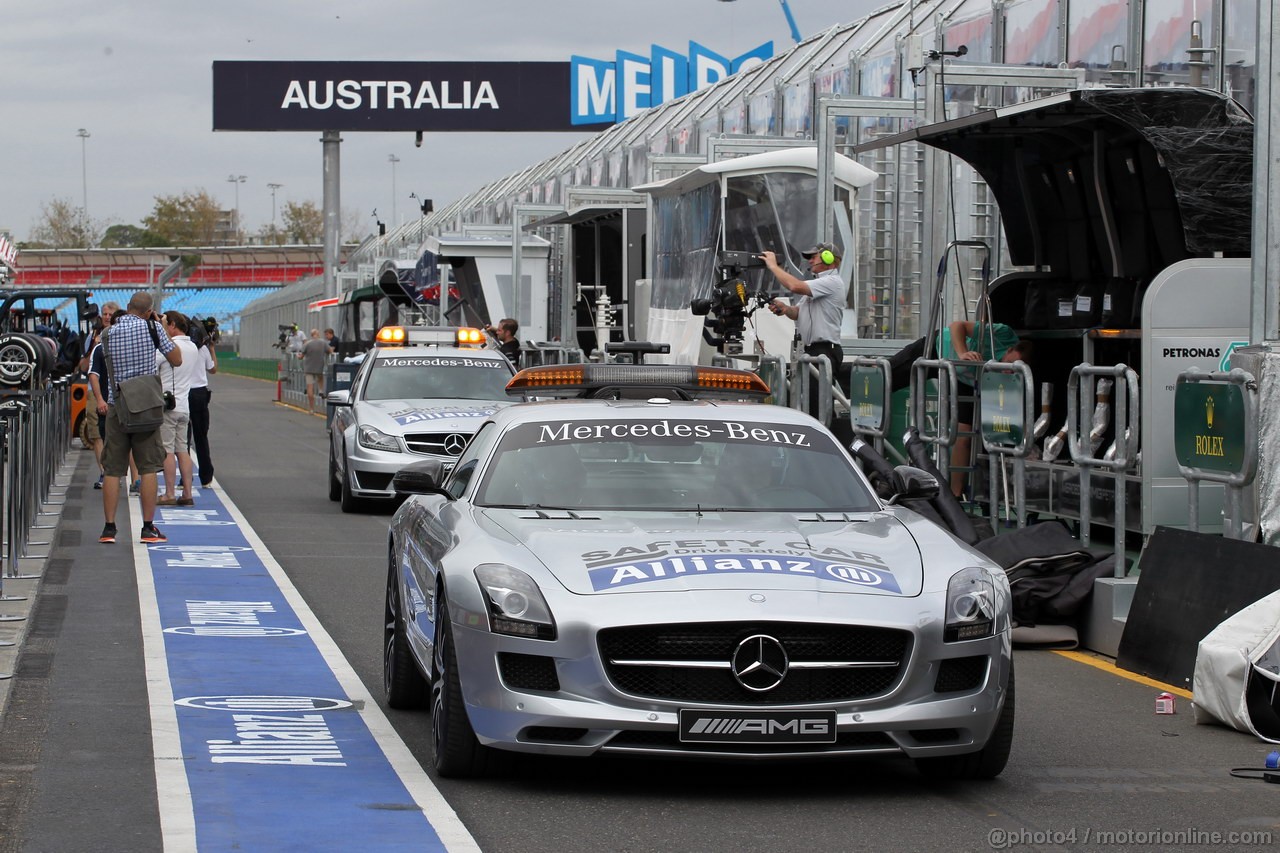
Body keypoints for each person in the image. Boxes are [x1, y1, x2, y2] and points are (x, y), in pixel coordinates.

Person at [99, 292, 181, 544]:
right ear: (149, 311)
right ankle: (147, 528)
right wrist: (159, 326)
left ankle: (109, 529)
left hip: (117, 405)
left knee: (113, 469)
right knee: (147, 468)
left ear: (127, 307)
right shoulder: (153, 327)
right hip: (146, 406)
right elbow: (176, 359)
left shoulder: (107, 334)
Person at [946, 319, 1032, 498]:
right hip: (945, 350)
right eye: (1010, 363)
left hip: (969, 378)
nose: (1008, 370)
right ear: (1009, 350)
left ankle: (956, 493)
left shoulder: (1011, 378)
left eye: (1014, 370)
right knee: (896, 369)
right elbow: (956, 325)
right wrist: (963, 353)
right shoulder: (1003, 334)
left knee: (965, 435)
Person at [760, 242, 847, 417]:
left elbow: (794, 286)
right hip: (811, 352)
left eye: (813, 257)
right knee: (807, 405)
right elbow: (797, 312)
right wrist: (785, 309)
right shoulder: (819, 284)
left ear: (828, 259)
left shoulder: (832, 282)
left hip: (823, 352)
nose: (810, 261)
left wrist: (773, 266)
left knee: (816, 409)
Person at [156, 311, 200, 507]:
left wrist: (160, 330)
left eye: (166, 323)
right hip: (184, 404)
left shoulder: (169, 347)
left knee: (166, 450)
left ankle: (170, 492)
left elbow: (151, 366)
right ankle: (188, 493)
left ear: (172, 325)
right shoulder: (192, 347)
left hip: (168, 404)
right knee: (183, 449)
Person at [188, 319, 217, 488]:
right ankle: (206, 476)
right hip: (199, 392)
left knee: (182, 438)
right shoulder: (204, 349)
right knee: (201, 437)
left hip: (184, 391)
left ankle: (184, 477)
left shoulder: (181, 349)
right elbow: (213, 369)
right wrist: (212, 349)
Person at [298, 328, 330, 414]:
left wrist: (299, 356)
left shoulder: (307, 344)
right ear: (318, 334)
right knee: (320, 377)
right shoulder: (323, 343)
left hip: (308, 368)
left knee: (310, 387)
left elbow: (301, 356)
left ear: (311, 335)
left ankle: (312, 408)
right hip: (319, 367)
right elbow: (329, 351)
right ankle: (321, 390)